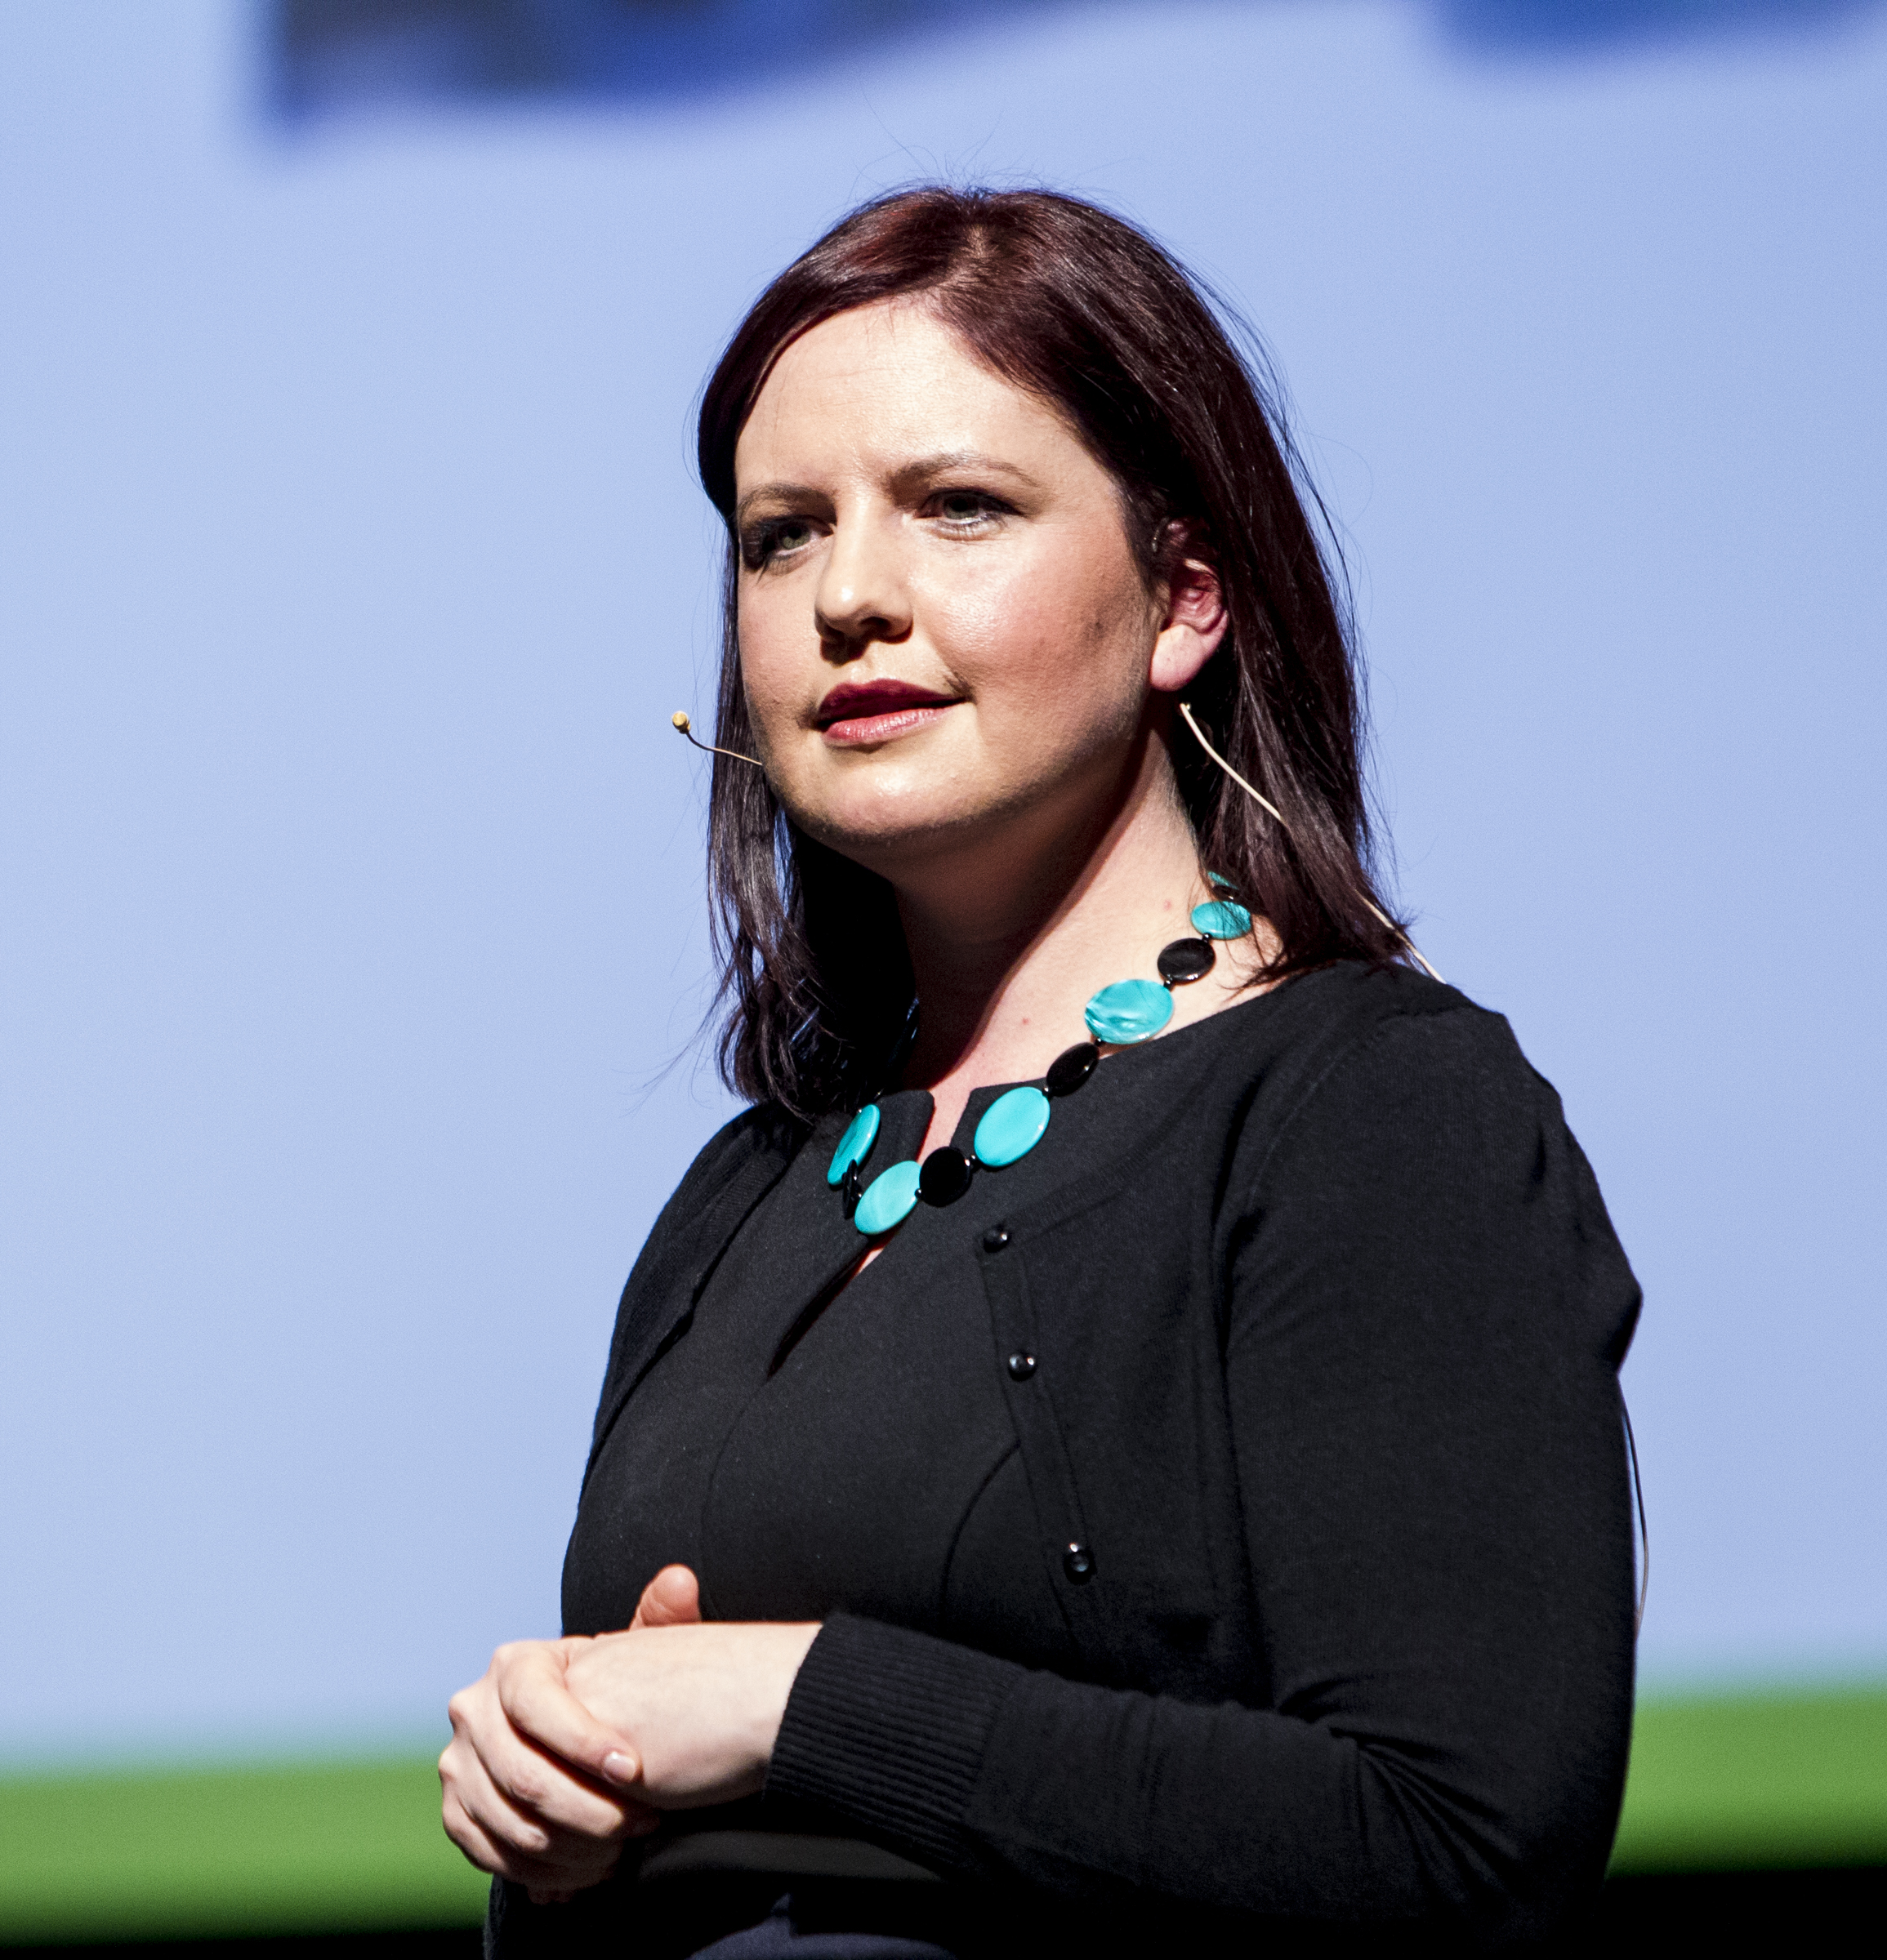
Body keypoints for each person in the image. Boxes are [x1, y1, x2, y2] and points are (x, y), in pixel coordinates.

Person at [438, 187, 1642, 1956]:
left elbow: (1455, 1842)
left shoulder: (1371, 1111)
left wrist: (793, 1703)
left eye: (960, 508)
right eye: (781, 537)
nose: (850, 597)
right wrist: (556, 1820)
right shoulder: (746, 1192)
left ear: (1184, 597)